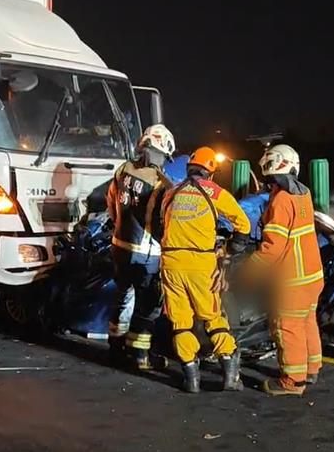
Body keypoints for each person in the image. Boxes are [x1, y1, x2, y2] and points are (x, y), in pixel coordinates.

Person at [161, 147, 250, 393]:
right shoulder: (214, 192)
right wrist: (232, 248)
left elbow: (163, 224)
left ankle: (191, 379)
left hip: (170, 263)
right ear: (210, 172)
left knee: (180, 322)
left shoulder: (171, 193)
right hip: (200, 265)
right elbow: (242, 223)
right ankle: (230, 377)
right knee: (212, 317)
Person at [243, 145, 325, 396]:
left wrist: (248, 271)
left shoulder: (281, 199)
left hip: (292, 279)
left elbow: (272, 246)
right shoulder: (303, 194)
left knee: (287, 326)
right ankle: (311, 369)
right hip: (312, 276)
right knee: (307, 322)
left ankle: (292, 381)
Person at [105, 125, 175, 369]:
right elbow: (162, 224)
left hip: (119, 247)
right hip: (146, 254)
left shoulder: (123, 169)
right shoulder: (162, 183)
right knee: (148, 305)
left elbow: (112, 203)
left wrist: (119, 229)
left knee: (123, 297)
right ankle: (139, 356)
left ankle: (115, 348)